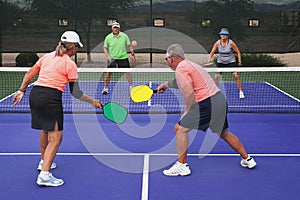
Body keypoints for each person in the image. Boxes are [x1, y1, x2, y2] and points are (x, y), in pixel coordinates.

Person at [13, 31, 102, 186]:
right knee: (56, 138)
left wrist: (21, 90)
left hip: (35, 95)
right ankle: (45, 176)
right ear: (73, 48)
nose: (77, 50)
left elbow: (29, 73)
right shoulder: (70, 64)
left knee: (45, 130)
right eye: (77, 47)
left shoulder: (47, 56)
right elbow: (76, 92)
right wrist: (92, 101)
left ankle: (43, 162)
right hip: (50, 99)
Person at [157, 44, 256, 176]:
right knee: (224, 133)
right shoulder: (191, 65)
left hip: (206, 103)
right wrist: (166, 85)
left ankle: (182, 166)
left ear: (171, 58)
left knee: (179, 129)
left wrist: (187, 111)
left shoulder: (180, 68)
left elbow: (189, 91)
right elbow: (184, 81)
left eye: (166, 59)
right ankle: (247, 159)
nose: (167, 62)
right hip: (219, 100)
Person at [208, 28, 245, 99]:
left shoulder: (231, 43)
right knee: (216, 77)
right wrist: (209, 60)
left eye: (225, 34)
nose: (223, 36)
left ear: (227, 36)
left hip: (231, 61)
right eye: (222, 34)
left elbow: (238, 52)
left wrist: (239, 61)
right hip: (221, 62)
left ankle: (241, 91)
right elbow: (212, 52)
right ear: (220, 35)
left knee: (236, 76)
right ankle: (214, 92)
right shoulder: (217, 43)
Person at [101, 22, 136, 94]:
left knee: (128, 72)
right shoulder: (108, 37)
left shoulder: (124, 36)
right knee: (108, 73)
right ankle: (105, 88)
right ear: (112, 28)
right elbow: (104, 47)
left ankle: (131, 87)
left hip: (123, 57)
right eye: (114, 27)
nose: (115, 29)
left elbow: (129, 45)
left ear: (119, 28)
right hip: (112, 58)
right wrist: (108, 56)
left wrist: (133, 55)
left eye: (117, 28)